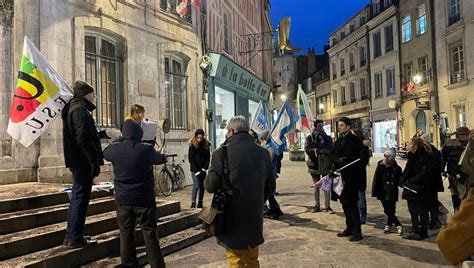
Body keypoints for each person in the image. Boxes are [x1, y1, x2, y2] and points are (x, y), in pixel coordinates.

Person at [205, 116, 275, 267]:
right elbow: (271, 185)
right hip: (254, 216)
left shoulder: (220, 153)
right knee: (252, 259)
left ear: (231, 131)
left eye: (227, 131)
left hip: (231, 217)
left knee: (235, 259)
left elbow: (210, 186)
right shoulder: (263, 153)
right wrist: (258, 200)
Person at [103, 119, 167, 267]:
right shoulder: (144, 149)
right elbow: (161, 158)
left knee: (126, 233)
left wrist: (121, 139)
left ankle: (129, 264)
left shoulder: (115, 149)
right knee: (149, 232)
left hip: (123, 199)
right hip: (144, 198)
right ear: (139, 133)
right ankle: (156, 265)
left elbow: (105, 153)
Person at [61, 81, 104, 248]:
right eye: (92, 94)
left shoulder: (74, 108)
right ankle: (74, 237)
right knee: (80, 199)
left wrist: (97, 135)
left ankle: (71, 235)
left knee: (77, 198)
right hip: (81, 161)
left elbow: (83, 134)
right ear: (86, 94)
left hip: (78, 160)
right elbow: (82, 138)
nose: (94, 97)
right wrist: (92, 161)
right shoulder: (79, 110)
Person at [331, 117, 364, 242]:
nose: (340, 128)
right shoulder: (339, 141)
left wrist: (342, 160)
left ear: (348, 126)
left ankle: (357, 231)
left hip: (351, 177)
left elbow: (354, 157)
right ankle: (349, 227)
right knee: (344, 203)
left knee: (351, 204)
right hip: (340, 176)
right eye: (339, 126)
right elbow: (333, 154)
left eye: (342, 125)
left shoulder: (354, 140)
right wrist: (335, 161)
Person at [400, 137, 433, 240]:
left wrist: (411, 181)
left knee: (421, 210)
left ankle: (422, 231)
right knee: (412, 210)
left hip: (420, 187)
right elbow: (407, 170)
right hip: (410, 187)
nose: (407, 146)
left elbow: (425, 173)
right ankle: (415, 229)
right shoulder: (411, 156)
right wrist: (402, 180)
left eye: (409, 144)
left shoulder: (425, 156)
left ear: (415, 146)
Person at [304, 120, 334, 213]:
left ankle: (327, 206)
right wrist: (314, 150)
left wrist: (320, 150)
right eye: (319, 125)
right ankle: (317, 205)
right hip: (314, 164)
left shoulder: (327, 138)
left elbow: (331, 149)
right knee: (316, 185)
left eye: (322, 125)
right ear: (315, 126)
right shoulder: (310, 138)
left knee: (326, 186)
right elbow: (307, 150)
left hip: (325, 165)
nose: (321, 127)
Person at [371, 150, 403, 235]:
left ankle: (388, 225)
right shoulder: (380, 166)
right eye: (385, 156)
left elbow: (399, 180)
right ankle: (398, 224)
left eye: (388, 157)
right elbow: (376, 180)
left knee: (391, 208)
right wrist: (375, 191)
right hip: (382, 191)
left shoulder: (397, 168)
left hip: (392, 191)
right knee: (387, 209)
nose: (386, 158)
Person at [442, 126, 470, 212]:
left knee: (457, 196)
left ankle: (458, 213)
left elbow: (443, 158)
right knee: (462, 196)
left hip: (455, 174)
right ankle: (459, 215)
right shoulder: (468, 145)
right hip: (461, 175)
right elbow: (443, 158)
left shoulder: (448, 143)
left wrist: (443, 170)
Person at [420, 133, 444, 229]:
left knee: (431, 202)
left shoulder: (429, 151)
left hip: (429, 181)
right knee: (431, 201)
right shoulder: (436, 151)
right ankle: (431, 220)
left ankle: (433, 221)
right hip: (433, 181)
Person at [259, 130, 284, 219]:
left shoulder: (270, 147)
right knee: (269, 194)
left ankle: (274, 210)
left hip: (268, 173)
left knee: (268, 192)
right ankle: (275, 209)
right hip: (269, 172)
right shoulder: (270, 146)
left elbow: (268, 159)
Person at [188, 129, 211, 208]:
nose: (200, 139)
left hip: (203, 169)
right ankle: (193, 203)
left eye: (201, 138)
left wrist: (204, 168)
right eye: (198, 137)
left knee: (202, 186)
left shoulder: (206, 145)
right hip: (195, 169)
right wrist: (196, 170)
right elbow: (191, 159)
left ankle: (200, 202)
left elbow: (208, 158)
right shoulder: (192, 146)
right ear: (196, 137)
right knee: (196, 185)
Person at [352, 130, 369, 224]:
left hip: (359, 176)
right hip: (351, 177)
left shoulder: (363, 148)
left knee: (360, 197)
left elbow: (363, 163)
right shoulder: (350, 148)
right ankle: (355, 215)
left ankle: (362, 216)